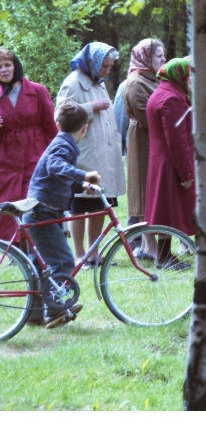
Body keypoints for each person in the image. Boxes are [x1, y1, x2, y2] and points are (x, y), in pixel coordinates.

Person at [23, 101, 101, 327]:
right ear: (84, 128)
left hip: (41, 209)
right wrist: (83, 175)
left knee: (40, 265)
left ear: (58, 124)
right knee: (63, 261)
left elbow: (57, 177)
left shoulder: (61, 142)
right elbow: (55, 166)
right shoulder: (64, 146)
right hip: (42, 211)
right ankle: (56, 310)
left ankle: (34, 314)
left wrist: (80, 185)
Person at [55, 42, 127, 266]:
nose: (107, 70)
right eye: (104, 66)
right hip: (84, 153)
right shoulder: (73, 82)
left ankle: (93, 254)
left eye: (109, 66)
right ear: (93, 63)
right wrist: (91, 106)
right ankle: (79, 256)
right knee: (79, 206)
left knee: (98, 204)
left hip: (102, 153)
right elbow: (60, 116)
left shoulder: (98, 81)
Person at [0, 48, 59, 244]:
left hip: (35, 158)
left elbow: (50, 129)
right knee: (8, 209)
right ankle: (14, 251)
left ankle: (34, 249)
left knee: (33, 206)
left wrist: (56, 157)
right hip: (6, 163)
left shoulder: (37, 90)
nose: (3, 70)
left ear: (15, 66)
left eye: (7, 65)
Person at [145, 58, 195, 270]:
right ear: (180, 74)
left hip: (161, 160)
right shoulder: (172, 99)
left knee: (166, 210)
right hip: (170, 163)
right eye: (189, 74)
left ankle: (164, 256)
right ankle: (164, 258)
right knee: (167, 210)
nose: (191, 78)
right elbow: (177, 140)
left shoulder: (162, 93)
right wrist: (186, 173)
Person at [121, 38, 166, 260]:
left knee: (153, 190)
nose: (163, 59)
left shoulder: (155, 80)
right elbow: (146, 117)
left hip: (156, 140)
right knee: (144, 189)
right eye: (159, 56)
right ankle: (149, 246)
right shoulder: (136, 82)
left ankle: (152, 245)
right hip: (143, 140)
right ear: (146, 58)